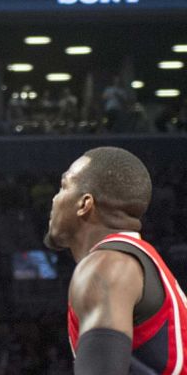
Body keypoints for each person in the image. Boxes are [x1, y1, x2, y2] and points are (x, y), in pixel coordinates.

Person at [44, 146, 187, 374]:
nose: (54, 199)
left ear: (85, 204)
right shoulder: (135, 261)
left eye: (63, 187)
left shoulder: (107, 266)